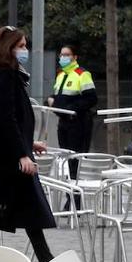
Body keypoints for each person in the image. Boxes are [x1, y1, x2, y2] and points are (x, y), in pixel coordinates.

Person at [0, 26, 56, 262]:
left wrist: (27, 143)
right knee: (21, 207)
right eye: (21, 46)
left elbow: (3, 117)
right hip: (2, 156)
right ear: (8, 48)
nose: (25, 51)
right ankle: (47, 261)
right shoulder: (4, 76)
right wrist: (22, 153)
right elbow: (6, 117)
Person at [48, 44, 97, 179]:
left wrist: (71, 110)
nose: (63, 57)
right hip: (63, 123)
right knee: (65, 160)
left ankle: (76, 197)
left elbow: (91, 98)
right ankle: (70, 197)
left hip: (78, 123)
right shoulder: (61, 75)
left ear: (75, 57)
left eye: (67, 55)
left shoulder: (82, 74)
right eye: (62, 55)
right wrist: (51, 99)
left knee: (75, 161)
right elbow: (59, 97)